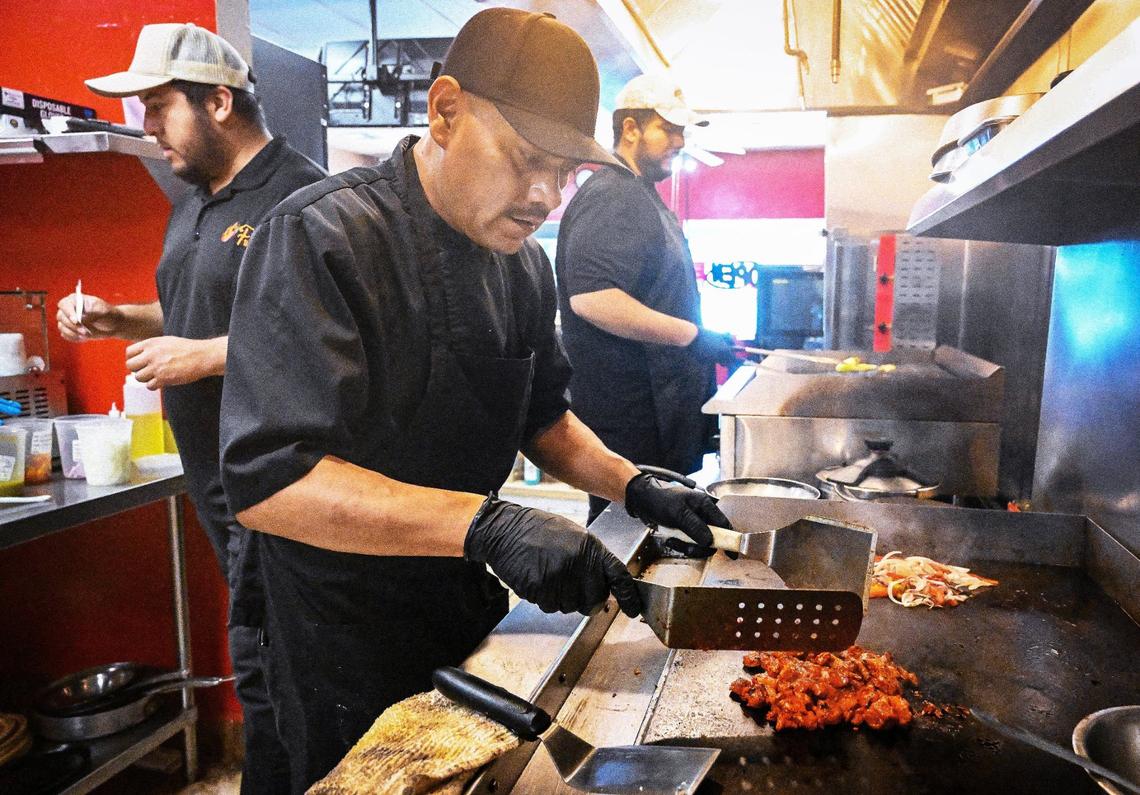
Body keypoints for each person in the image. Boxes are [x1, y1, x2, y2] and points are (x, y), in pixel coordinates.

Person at [216, 8, 731, 791]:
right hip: (331, 628)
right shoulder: (321, 236)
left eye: (563, 173)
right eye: (526, 159)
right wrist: (487, 523)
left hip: (452, 598)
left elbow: (543, 418)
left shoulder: (520, 265)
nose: (543, 196)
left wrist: (631, 483)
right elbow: (271, 481)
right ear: (446, 109)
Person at [56, 22, 326, 794]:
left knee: (274, 677)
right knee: (264, 666)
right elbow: (200, 304)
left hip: (278, 486)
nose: (146, 127)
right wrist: (127, 317)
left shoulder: (300, 196)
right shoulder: (196, 200)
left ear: (218, 100)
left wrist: (203, 356)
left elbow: (329, 339)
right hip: (218, 483)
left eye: (156, 107)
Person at [555, 74, 738, 523]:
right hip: (631, 423)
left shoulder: (640, 195)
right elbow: (592, 298)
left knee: (658, 541)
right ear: (631, 128)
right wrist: (693, 336)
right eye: (668, 129)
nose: (679, 140)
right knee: (628, 544)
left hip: (656, 418)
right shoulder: (613, 194)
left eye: (682, 131)